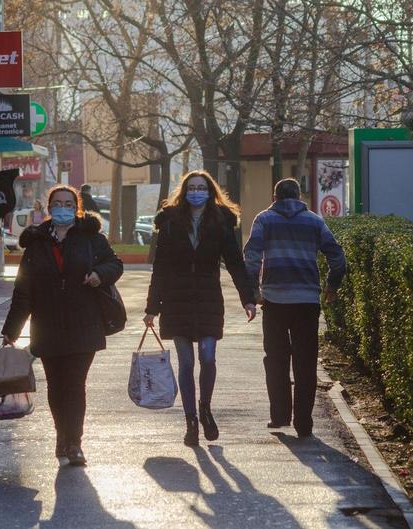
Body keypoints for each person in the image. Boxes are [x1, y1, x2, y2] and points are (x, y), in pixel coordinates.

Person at [1, 184, 123, 466]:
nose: (63, 208)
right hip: (48, 325)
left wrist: (98, 274)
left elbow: (115, 265)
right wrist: (12, 331)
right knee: (56, 386)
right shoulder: (36, 241)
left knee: (75, 384)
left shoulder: (91, 237)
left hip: (84, 323)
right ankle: (61, 436)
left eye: (69, 204)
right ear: (48, 206)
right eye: (58, 203)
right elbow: (24, 290)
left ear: (76, 207)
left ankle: (75, 443)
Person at [143, 170, 257, 447]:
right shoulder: (170, 222)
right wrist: (152, 308)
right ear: (184, 191)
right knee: (186, 362)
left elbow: (235, 263)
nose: (196, 192)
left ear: (210, 191)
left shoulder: (221, 222)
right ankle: (190, 420)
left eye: (201, 187)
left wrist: (248, 298)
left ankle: (205, 407)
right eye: (191, 187)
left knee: (207, 357)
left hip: (208, 298)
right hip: (176, 300)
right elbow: (160, 268)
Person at [243, 178, 347, 438]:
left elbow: (252, 257)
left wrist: (254, 291)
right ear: (299, 196)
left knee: (276, 360)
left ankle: (279, 416)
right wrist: (332, 286)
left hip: (274, 302)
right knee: (306, 363)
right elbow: (337, 257)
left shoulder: (264, 220)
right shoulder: (314, 221)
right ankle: (304, 423)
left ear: (274, 196)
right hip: (307, 302)